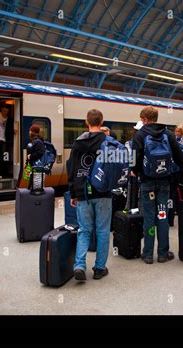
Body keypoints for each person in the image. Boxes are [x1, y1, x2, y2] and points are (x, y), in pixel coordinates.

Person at [131, 106, 183, 264]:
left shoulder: (140, 135)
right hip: (164, 182)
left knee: (148, 217)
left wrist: (134, 170)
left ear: (145, 120)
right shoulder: (167, 134)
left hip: (147, 182)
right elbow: (179, 156)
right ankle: (163, 253)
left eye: (142, 119)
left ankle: (147, 254)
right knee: (162, 216)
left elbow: (135, 157)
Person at [68, 109, 112, 282]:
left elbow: (71, 168)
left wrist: (73, 192)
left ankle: (79, 265)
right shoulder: (108, 141)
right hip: (103, 192)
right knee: (102, 231)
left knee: (84, 231)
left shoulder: (78, 143)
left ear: (87, 122)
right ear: (101, 122)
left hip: (83, 192)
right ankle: (99, 269)